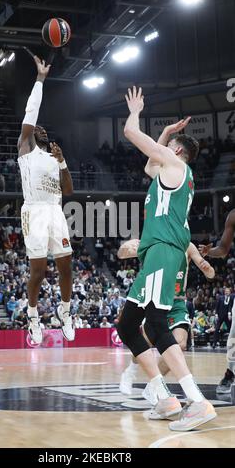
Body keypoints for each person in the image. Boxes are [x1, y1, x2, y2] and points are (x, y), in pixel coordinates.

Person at [117, 89, 216, 432]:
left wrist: (136, 111)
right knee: (128, 325)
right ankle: (164, 397)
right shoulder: (172, 173)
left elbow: (131, 133)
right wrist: (166, 134)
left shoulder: (175, 166)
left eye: (168, 147)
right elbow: (149, 165)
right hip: (156, 253)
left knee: (157, 324)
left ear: (176, 153)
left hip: (163, 250)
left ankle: (197, 401)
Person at [17, 56, 74, 345]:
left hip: (54, 211)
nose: (39, 129)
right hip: (35, 212)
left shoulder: (54, 158)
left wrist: (63, 163)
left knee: (67, 265)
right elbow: (31, 111)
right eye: (36, 129)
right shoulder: (25, 149)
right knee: (38, 271)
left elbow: (69, 191)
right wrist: (40, 80)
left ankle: (65, 312)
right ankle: (33, 316)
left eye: (42, 130)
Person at [118, 239, 215, 407]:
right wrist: (127, 249)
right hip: (156, 298)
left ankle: (152, 387)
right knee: (145, 342)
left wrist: (208, 269)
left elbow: (206, 268)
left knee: (181, 343)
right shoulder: (154, 240)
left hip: (176, 303)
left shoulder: (187, 245)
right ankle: (130, 371)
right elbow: (123, 253)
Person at [199, 209, 235, 393]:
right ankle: (231, 373)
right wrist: (208, 252)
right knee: (233, 337)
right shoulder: (233, 216)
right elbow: (222, 249)